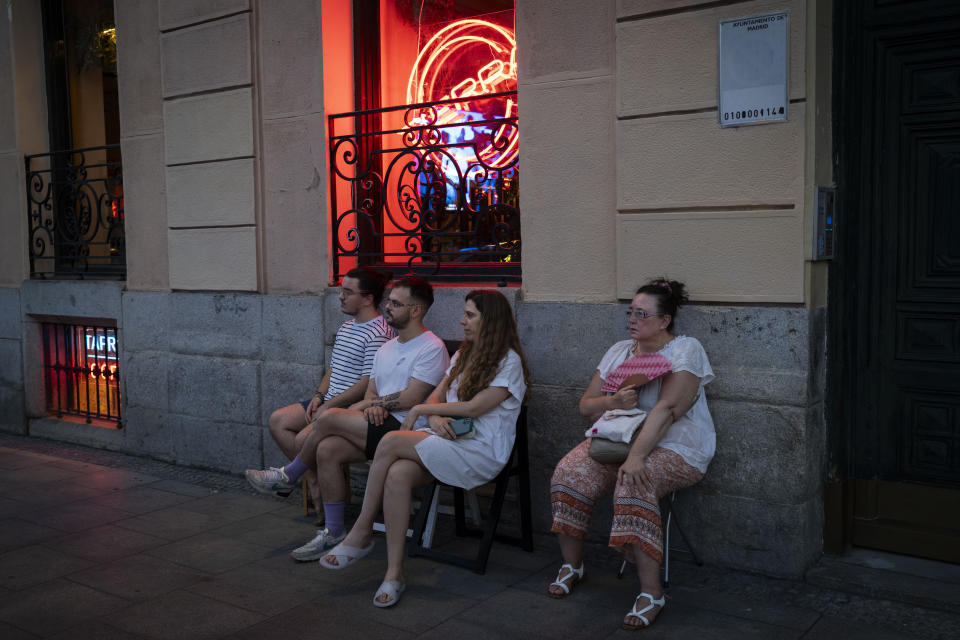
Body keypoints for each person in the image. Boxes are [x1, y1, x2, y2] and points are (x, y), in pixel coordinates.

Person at [318, 289, 529, 608]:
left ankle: (361, 532)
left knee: (390, 440)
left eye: (470, 315)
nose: (462, 321)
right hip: (448, 438)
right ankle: (393, 574)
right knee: (398, 474)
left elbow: (474, 408)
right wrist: (434, 412)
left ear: (492, 321)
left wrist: (422, 412)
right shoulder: (463, 355)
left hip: (481, 450)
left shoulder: (508, 361)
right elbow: (435, 398)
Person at [547, 278, 715, 631]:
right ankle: (572, 565)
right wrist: (613, 401)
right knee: (567, 472)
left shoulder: (686, 350)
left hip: (676, 447)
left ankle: (651, 593)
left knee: (633, 481)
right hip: (617, 441)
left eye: (641, 314)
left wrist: (637, 457)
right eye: (630, 313)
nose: (632, 320)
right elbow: (586, 407)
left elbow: (669, 409)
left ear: (665, 320)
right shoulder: (620, 350)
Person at [249, 276, 449, 561]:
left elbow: (411, 398)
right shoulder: (387, 348)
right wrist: (371, 405)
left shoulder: (430, 347)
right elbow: (371, 390)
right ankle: (334, 532)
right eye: (388, 301)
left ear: (415, 310)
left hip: (406, 429)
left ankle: (288, 475)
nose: (388, 307)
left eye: (395, 303)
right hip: (377, 423)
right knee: (327, 449)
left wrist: (371, 404)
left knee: (329, 418)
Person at [247, 267, 394, 513]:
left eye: (348, 292)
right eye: (340, 291)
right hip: (330, 399)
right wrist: (318, 396)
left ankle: (298, 482)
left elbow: (367, 383)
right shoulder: (348, 327)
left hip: (348, 406)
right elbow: (332, 369)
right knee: (278, 420)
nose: (340, 297)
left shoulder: (379, 332)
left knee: (304, 439)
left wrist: (330, 405)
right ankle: (311, 480)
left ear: (368, 298)